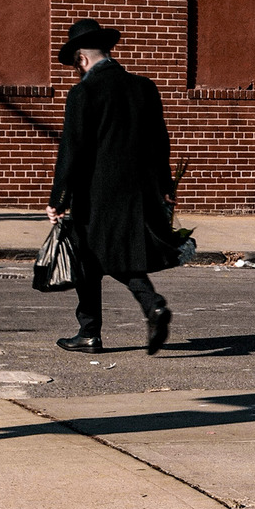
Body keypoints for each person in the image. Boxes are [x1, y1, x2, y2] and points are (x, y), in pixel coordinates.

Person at [46, 19, 176, 354]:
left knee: (87, 257)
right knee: (109, 256)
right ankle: (147, 308)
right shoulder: (143, 87)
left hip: (95, 193)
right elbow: (160, 142)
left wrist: (58, 198)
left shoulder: (83, 93)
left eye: (75, 64)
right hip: (138, 192)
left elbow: (72, 150)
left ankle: (93, 331)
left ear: (81, 59)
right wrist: (165, 186)